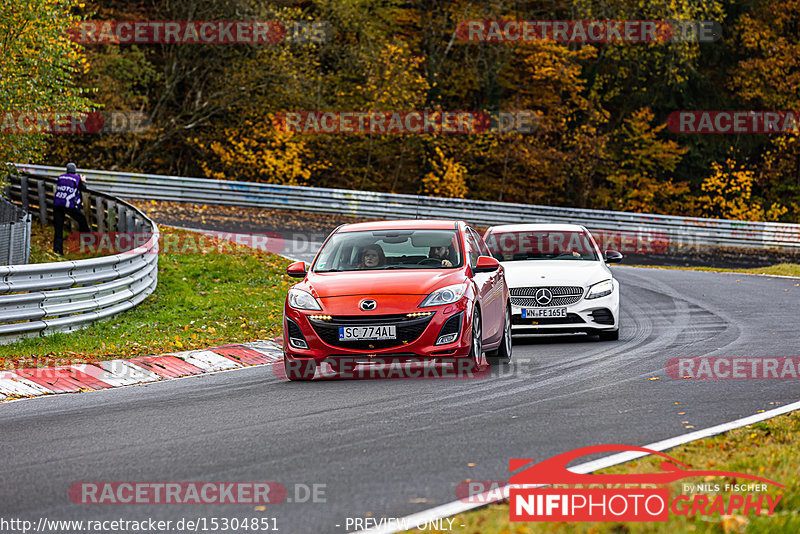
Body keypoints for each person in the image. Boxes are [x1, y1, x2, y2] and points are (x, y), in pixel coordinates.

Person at [53, 162, 90, 254]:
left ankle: (57, 250)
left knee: (58, 228)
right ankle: (87, 242)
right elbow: (83, 188)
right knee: (82, 220)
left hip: (57, 203)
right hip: (69, 204)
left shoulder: (61, 177)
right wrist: (83, 180)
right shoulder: (77, 178)